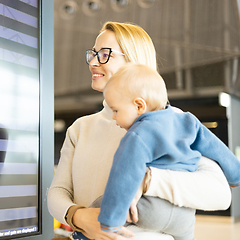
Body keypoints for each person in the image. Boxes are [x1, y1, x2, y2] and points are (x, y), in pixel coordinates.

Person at [47, 21, 232, 240]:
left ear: (134, 60)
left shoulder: (172, 121)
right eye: (93, 53)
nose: (94, 62)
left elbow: (220, 194)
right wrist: (79, 217)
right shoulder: (80, 128)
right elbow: (58, 192)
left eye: (105, 54)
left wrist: (146, 180)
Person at [96, 63, 240, 239]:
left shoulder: (137, 135)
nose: (113, 117)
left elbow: (123, 175)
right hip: (184, 214)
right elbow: (217, 149)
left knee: (98, 204)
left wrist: (109, 222)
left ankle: (80, 235)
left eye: (116, 110)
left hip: (151, 210)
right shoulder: (187, 120)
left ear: (139, 106)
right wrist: (235, 174)